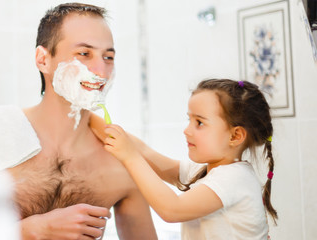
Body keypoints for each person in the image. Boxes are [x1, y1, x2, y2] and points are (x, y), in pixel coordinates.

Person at [0, 3, 157, 240]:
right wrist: (30, 230)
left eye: (108, 57)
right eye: (84, 54)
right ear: (43, 59)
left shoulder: (123, 164)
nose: (101, 71)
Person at [92, 79, 278, 239]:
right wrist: (88, 117)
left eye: (199, 123)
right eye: (189, 120)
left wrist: (129, 157)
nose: (187, 130)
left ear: (235, 136)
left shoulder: (234, 179)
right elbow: (147, 154)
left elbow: (172, 209)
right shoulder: (206, 171)